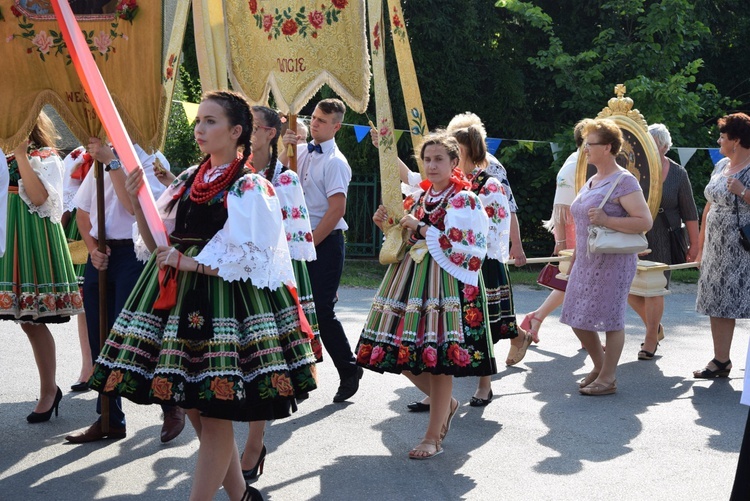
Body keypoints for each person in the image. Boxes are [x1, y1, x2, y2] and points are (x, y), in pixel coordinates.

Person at [88, 90, 318, 501]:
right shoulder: (190, 177)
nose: (200, 128)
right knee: (196, 408)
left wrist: (190, 263)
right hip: (179, 299)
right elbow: (156, 241)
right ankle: (242, 496)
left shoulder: (251, 186)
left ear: (236, 132)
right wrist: (138, 201)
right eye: (200, 120)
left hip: (227, 304)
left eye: (211, 121)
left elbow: (252, 255)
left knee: (215, 413)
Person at [360, 133, 494, 459]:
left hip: (444, 285)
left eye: (439, 160)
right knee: (401, 354)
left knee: (438, 361)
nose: (432, 165)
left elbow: (468, 247)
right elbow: (404, 240)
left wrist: (419, 228)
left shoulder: (465, 200)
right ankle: (445, 404)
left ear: (453, 163)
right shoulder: (420, 197)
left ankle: (433, 436)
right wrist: (388, 226)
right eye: (428, 160)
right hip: (410, 281)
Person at [64, 139, 186, 444]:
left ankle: (170, 405)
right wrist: (93, 250)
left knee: (137, 336)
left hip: (136, 254)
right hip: (104, 255)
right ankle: (109, 418)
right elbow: (83, 212)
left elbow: (135, 208)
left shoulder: (149, 158)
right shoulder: (102, 154)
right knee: (100, 337)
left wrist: (113, 163)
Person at [239, 106, 320, 481]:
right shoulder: (223, 171)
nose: (247, 133)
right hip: (225, 277)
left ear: (270, 133)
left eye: (254, 127)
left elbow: (292, 244)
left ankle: (254, 443)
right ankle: (219, 445)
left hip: (266, 282)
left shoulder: (284, 179)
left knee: (260, 366)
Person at [0, 112, 84, 422]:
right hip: (4, 236)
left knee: (31, 320)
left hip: (29, 237)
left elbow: (38, 198)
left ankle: (49, 389)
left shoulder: (44, 155)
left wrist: (20, 154)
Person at [560, 118, 652, 395]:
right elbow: (584, 224)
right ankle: (600, 366)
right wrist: (575, 256)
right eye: (585, 144)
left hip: (613, 261)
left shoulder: (624, 181)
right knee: (575, 315)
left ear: (608, 147)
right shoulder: (592, 179)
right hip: (587, 260)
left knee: (611, 318)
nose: (585, 149)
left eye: (591, 144)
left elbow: (644, 221)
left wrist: (606, 219)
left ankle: (609, 378)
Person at [280, 98, 363, 403]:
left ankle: (349, 369)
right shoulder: (301, 151)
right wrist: (285, 147)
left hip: (325, 242)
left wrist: (311, 241)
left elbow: (337, 209)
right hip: (298, 241)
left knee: (322, 311)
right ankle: (298, 378)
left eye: (322, 121)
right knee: (294, 309)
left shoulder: (336, 162)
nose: (314, 124)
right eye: (313, 118)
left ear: (336, 127)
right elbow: (284, 185)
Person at [627, 124, 698, 360]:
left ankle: (650, 340)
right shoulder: (633, 168)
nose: (646, 149)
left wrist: (695, 246)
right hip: (635, 237)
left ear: (665, 148)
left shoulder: (678, 174)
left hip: (665, 238)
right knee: (627, 288)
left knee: (654, 290)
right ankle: (654, 327)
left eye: (653, 145)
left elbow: (690, 213)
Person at [521, 119, 591, 343]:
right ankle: (538, 317)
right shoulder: (574, 164)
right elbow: (560, 206)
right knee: (574, 281)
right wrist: (561, 242)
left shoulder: (581, 160)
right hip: (574, 229)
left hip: (581, 228)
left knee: (578, 284)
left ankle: (537, 317)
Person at [693, 113, 750, 379]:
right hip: (717, 248)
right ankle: (720, 361)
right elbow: (709, 205)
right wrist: (701, 244)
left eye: (723, 137)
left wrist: (743, 191)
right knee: (718, 302)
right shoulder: (721, 166)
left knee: (742, 301)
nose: (719, 140)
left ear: (736, 141)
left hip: (743, 247)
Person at [62, 146, 94, 392]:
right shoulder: (75, 156)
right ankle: (88, 367)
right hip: (81, 228)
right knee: (86, 303)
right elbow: (65, 203)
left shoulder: (132, 150)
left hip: (120, 231)